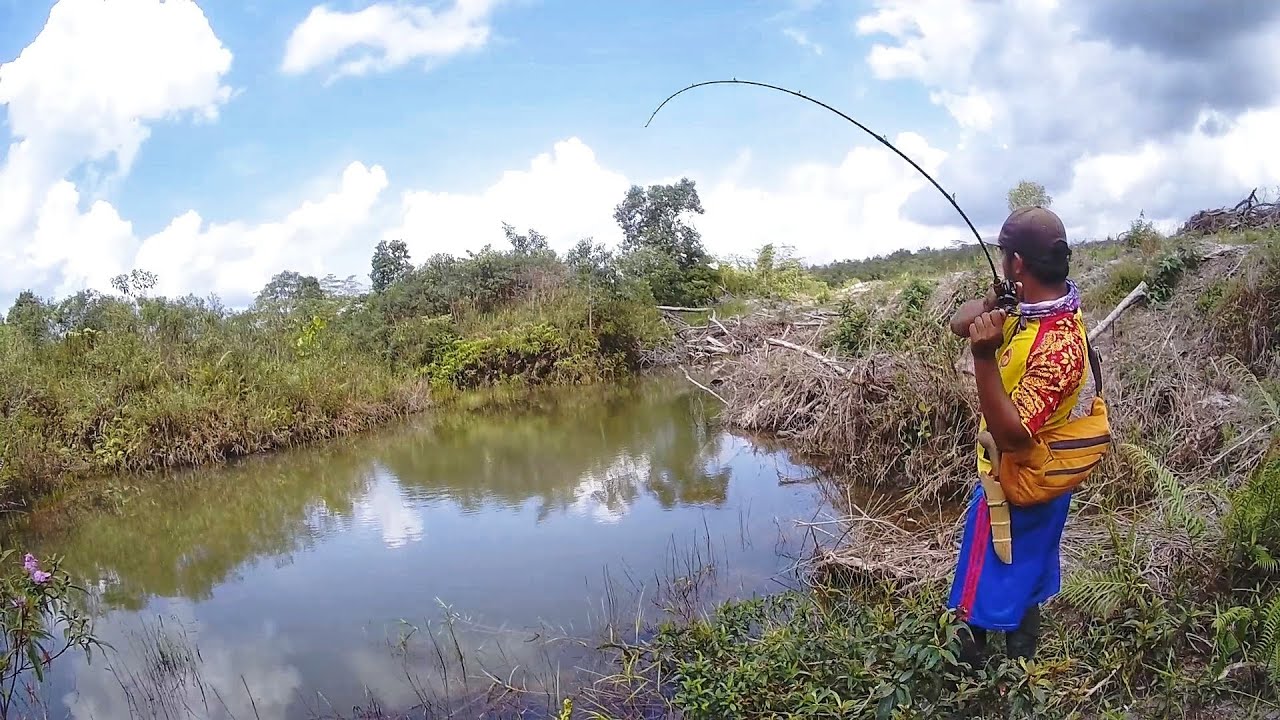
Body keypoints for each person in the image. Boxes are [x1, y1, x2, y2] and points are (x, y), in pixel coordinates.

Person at [946, 205, 1090, 664]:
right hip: (1025, 483)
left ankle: (976, 683)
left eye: (1005, 254)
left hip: (1016, 487)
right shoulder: (1028, 311)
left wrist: (984, 359)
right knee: (1022, 579)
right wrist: (991, 305)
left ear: (1018, 263)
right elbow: (957, 323)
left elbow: (1011, 436)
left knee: (978, 595)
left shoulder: (1060, 344)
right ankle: (1020, 674)